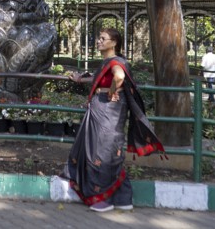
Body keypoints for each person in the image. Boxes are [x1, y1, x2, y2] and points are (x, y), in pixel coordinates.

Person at [63, 28, 165, 213]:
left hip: (106, 109)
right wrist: (80, 78)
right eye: (98, 38)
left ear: (114, 43)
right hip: (109, 110)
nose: (98, 41)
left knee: (100, 153)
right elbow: (104, 79)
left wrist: (111, 92)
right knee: (111, 151)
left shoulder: (116, 62)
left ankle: (101, 200)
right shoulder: (110, 61)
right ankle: (123, 199)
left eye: (103, 39)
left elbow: (119, 77)